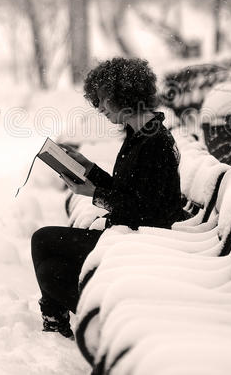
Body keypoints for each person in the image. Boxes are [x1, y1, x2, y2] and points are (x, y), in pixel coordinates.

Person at [30, 57, 185, 338]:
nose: (100, 109)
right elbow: (130, 190)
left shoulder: (154, 143)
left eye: (103, 101)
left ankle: (108, 325)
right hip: (128, 231)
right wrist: (89, 169)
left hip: (141, 240)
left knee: (44, 245)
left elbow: (146, 210)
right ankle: (59, 320)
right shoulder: (141, 134)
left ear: (124, 96)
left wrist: (94, 194)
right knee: (51, 262)